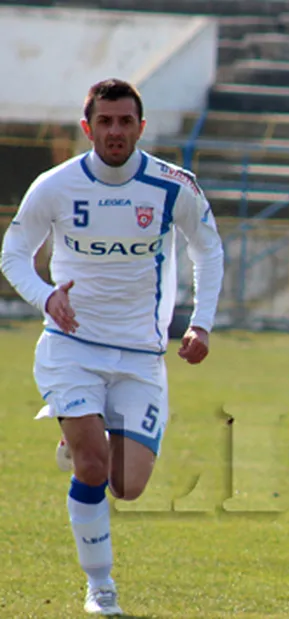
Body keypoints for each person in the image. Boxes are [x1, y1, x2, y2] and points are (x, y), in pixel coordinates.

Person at [0, 78, 225, 616]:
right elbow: (13, 253)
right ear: (88, 128)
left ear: (141, 127)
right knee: (95, 469)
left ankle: (82, 443)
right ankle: (100, 588)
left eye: (126, 121)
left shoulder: (174, 186)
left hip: (141, 357)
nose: (116, 131)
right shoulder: (55, 185)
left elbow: (208, 250)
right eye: (105, 121)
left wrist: (202, 323)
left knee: (128, 485)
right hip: (71, 347)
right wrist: (46, 296)